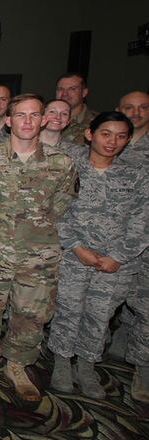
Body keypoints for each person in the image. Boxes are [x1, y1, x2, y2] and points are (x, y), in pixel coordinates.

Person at [0, 94, 78, 402]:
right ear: (8, 120)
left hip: (38, 255)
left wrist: (33, 230)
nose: (27, 121)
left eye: (34, 115)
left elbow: (61, 205)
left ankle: (17, 364)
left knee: (30, 315)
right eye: (20, 115)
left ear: (44, 120)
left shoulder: (61, 163)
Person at [48, 112, 147, 399]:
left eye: (120, 136)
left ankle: (87, 365)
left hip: (115, 263)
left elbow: (142, 221)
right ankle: (62, 362)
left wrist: (118, 255)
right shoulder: (70, 168)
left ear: (128, 140)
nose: (112, 141)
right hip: (73, 256)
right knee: (68, 310)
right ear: (90, 134)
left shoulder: (137, 176)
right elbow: (57, 210)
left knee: (100, 315)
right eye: (106, 133)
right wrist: (76, 247)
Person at [115, 91, 149, 402]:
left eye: (142, 107)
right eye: (129, 108)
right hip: (112, 241)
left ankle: (143, 368)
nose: (136, 113)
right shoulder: (108, 144)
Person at [56, 73, 97, 145]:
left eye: (72, 89)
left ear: (84, 92)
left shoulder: (97, 123)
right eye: (60, 89)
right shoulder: (44, 119)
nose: (65, 94)